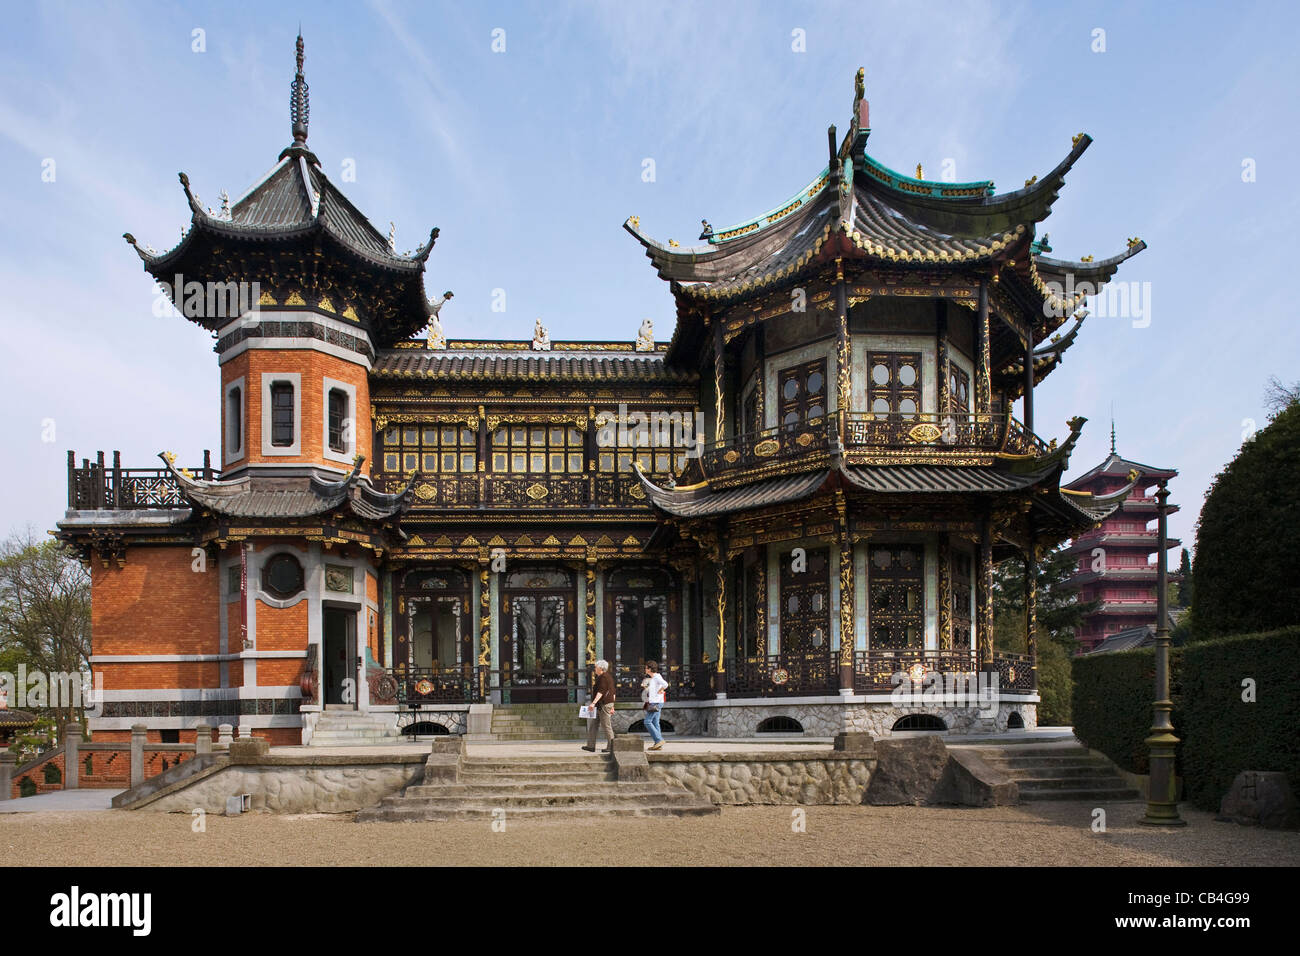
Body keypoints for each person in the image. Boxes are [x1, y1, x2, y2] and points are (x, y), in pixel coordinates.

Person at [582, 659, 616, 753]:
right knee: (593, 725)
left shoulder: (603, 677)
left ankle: (612, 746)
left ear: (601, 668)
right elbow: (613, 693)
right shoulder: (607, 677)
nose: (595, 669)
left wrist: (593, 703)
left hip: (604, 704)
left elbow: (601, 692)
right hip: (602, 704)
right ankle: (590, 746)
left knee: (606, 726)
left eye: (596, 667)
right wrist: (612, 705)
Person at [642, 660, 668, 751]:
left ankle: (659, 740)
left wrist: (661, 689)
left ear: (649, 669)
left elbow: (665, 684)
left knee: (647, 722)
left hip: (656, 703)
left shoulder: (656, 677)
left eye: (646, 668)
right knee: (655, 723)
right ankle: (658, 744)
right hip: (656, 702)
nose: (645, 669)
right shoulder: (654, 678)